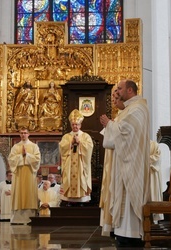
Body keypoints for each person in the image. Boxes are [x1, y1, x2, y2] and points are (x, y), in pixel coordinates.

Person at [100, 79, 150, 247]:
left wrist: (109, 124)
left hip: (131, 164)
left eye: (119, 89)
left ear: (130, 90)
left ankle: (131, 233)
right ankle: (123, 232)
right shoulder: (131, 109)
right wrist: (112, 126)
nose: (117, 92)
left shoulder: (138, 109)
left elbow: (126, 133)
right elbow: (115, 139)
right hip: (125, 161)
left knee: (129, 197)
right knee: (123, 197)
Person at [99, 88, 125, 236]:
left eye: (116, 98)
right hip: (112, 158)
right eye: (113, 98)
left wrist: (109, 124)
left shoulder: (125, 115)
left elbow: (121, 136)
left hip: (119, 160)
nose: (114, 101)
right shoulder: (119, 115)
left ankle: (116, 226)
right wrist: (108, 125)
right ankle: (112, 225)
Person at [59, 109, 93, 204]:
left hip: (81, 166)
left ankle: (81, 199)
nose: (75, 126)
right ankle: (68, 200)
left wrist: (80, 143)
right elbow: (62, 147)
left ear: (80, 125)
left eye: (77, 124)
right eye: (73, 124)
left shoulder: (85, 136)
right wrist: (70, 143)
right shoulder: (66, 137)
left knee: (81, 179)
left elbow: (89, 148)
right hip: (69, 166)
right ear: (70, 125)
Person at [8, 128, 41, 224]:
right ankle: (17, 218)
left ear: (28, 134)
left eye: (25, 133)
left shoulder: (34, 146)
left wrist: (27, 155)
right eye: (21, 133)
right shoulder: (15, 147)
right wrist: (21, 156)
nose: (23, 135)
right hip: (18, 174)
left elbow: (37, 160)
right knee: (19, 192)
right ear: (19, 135)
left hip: (30, 174)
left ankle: (29, 217)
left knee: (29, 193)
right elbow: (11, 160)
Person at [149, 140, 164, 223]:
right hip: (140, 174)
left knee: (153, 192)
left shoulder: (154, 144)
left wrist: (144, 160)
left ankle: (153, 219)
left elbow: (157, 157)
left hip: (151, 173)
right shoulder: (137, 143)